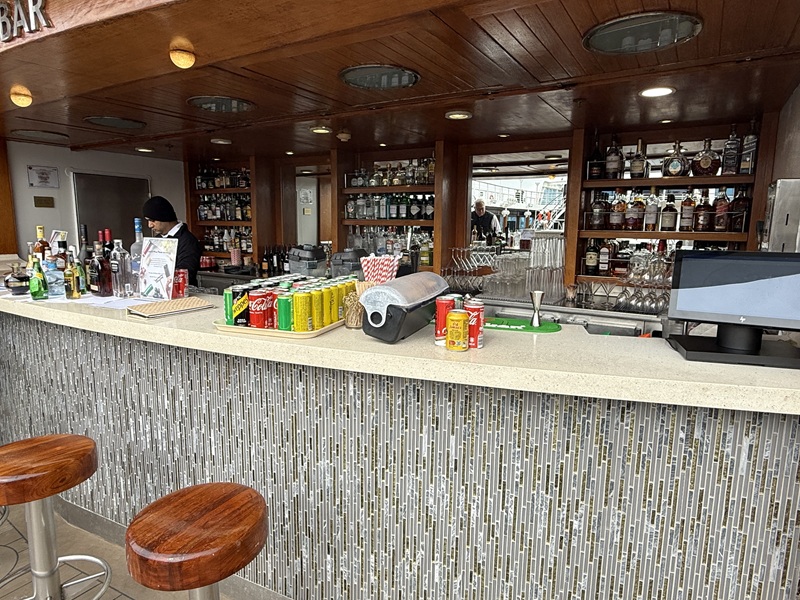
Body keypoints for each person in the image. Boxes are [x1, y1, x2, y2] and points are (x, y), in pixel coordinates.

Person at [142, 195, 202, 286]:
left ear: (164, 217)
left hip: (182, 292)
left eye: (153, 220)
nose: (150, 225)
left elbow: (185, 273)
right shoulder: (156, 240)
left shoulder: (188, 241)